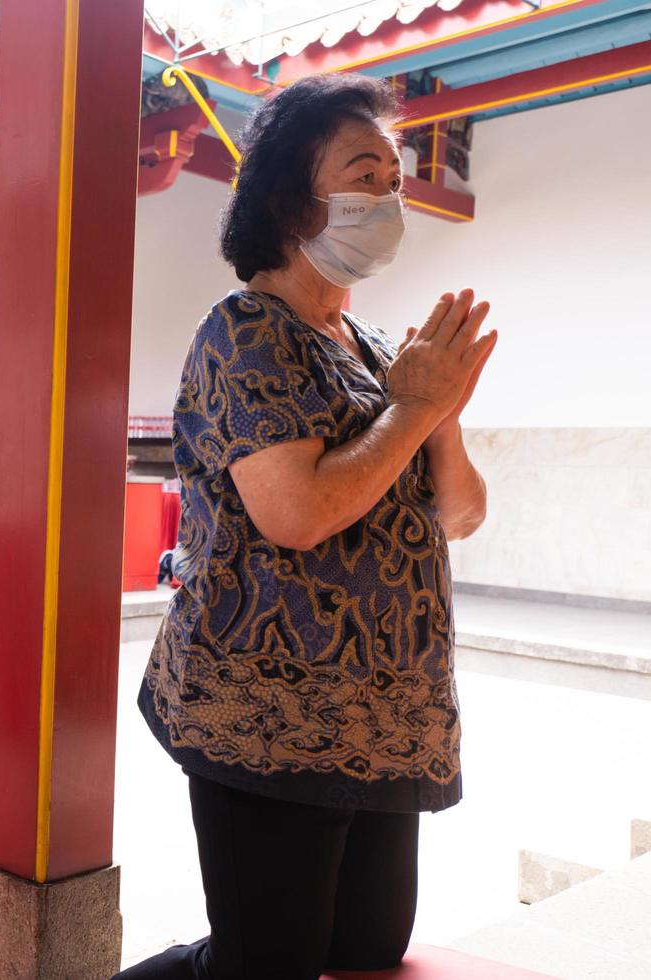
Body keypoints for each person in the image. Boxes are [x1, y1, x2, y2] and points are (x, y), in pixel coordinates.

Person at [121, 75, 497, 980]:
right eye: (367, 173)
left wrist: (438, 412)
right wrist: (412, 410)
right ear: (294, 196)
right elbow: (298, 514)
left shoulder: (375, 352)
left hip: (383, 720)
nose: (391, 199)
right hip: (266, 715)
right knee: (269, 960)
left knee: (367, 945)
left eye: (399, 182)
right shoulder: (245, 332)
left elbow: (462, 512)